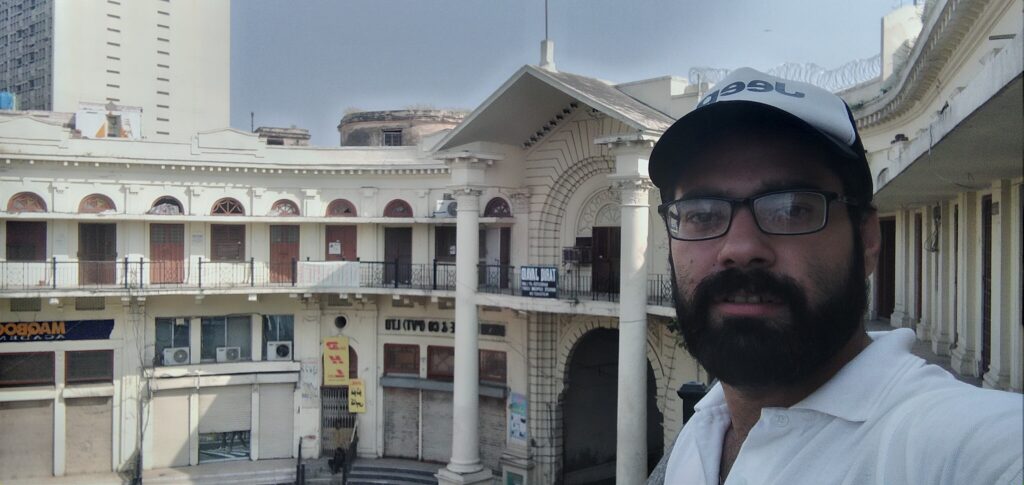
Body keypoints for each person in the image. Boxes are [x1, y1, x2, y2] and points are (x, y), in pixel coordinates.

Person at [646, 67, 1023, 485]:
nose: (740, 248)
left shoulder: (947, 444)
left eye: (791, 209)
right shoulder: (703, 429)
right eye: (702, 214)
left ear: (867, 240)